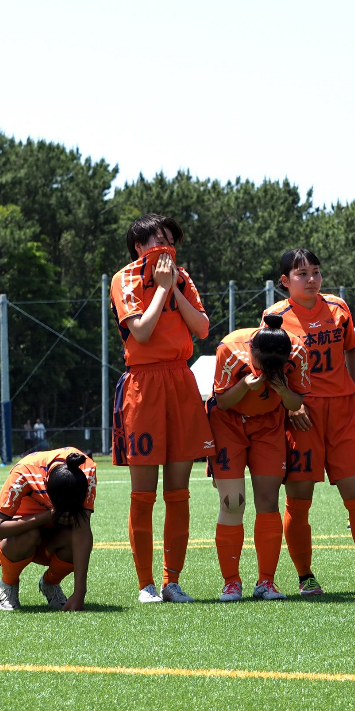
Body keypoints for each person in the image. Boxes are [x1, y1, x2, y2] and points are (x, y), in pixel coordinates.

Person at [265, 249, 355, 595]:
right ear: (286, 281)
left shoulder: (338, 308)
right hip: (302, 414)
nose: (312, 279)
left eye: (316, 272)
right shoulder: (274, 317)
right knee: (299, 499)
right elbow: (267, 367)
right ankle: (306, 577)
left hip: (342, 413)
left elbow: (351, 349)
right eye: (302, 274)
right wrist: (290, 405)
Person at [109, 214, 211, 603]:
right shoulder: (125, 279)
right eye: (158, 241)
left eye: (171, 240)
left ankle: (173, 580)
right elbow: (142, 331)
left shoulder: (182, 278)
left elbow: (202, 328)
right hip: (144, 383)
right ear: (139, 246)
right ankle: (145, 583)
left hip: (181, 380)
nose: (166, 247)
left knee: (179, 491)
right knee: (143, 493)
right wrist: (160, 290)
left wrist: (174, 290)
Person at [208, 314, 311, 601]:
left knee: (268, 501)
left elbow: (297, 402)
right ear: (252, 350)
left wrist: (281, 388)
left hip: (268, 424)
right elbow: (223, 401)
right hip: (228, 424)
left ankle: (266, 581)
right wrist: (244, 385)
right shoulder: (230, 348)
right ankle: (231, 582)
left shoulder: (298, 350)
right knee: (232, 502)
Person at [0, 447, 96, 611]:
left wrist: (80, 592)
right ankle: (8, 585)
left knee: (75, 536)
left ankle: (50, 584)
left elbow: (82, 528)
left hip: (50, 539)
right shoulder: (25, 472)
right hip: (12, 541)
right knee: (29, 535)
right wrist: (45, 517)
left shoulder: (86, 470)